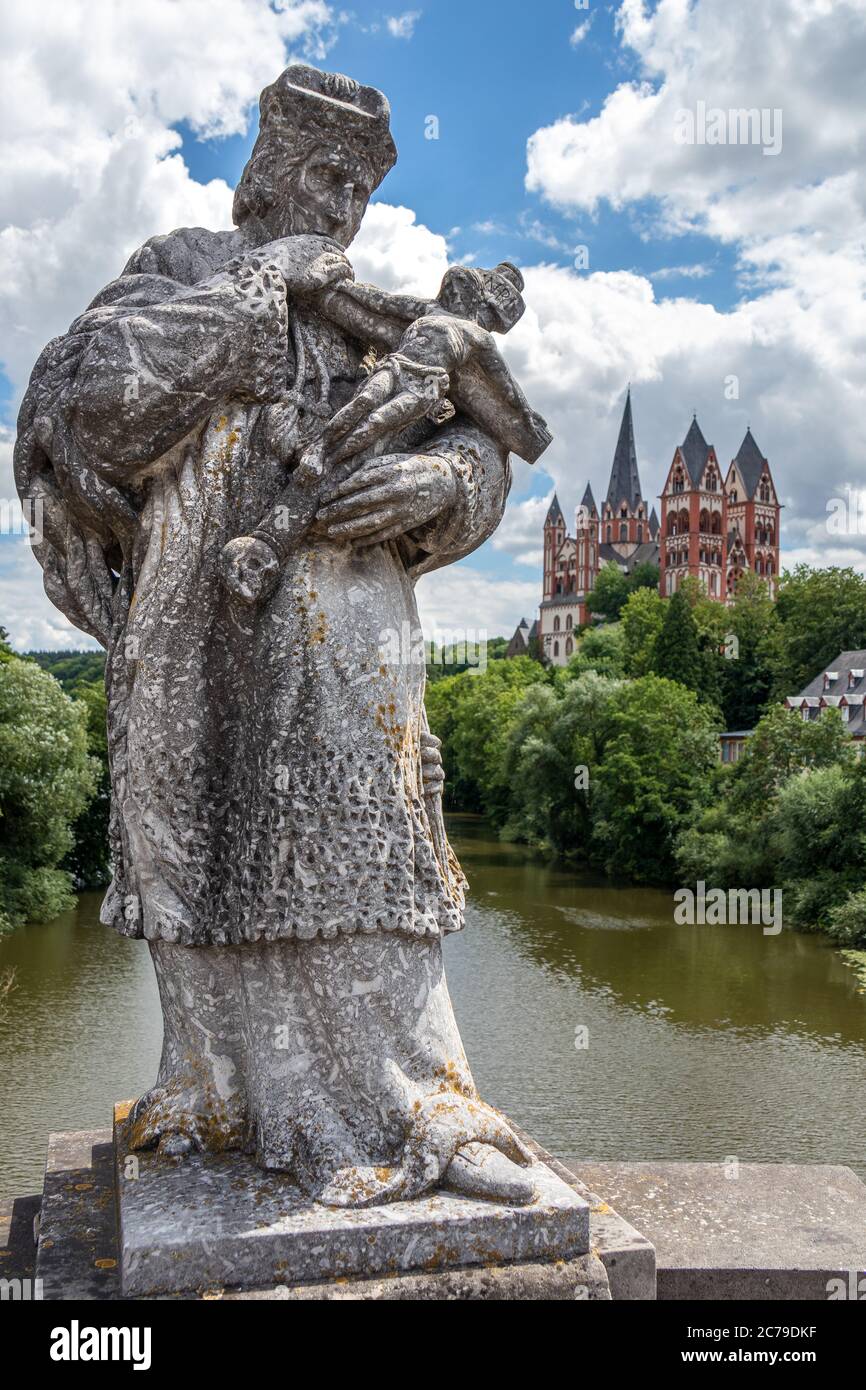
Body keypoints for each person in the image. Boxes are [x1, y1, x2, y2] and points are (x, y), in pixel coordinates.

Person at [15, 64, 550, 1207]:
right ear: (264, 173)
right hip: (198, 642)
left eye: (359, 185)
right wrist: (264, 283)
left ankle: (423, 1100)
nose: (342, 204)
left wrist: (440, 483)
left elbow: (483, 440)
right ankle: (220, 1094)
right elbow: (79, 405)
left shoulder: (379, 321)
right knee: (209, 856)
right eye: (324, 173)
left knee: (364, 856)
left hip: (352, 639)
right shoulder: (177, 272)